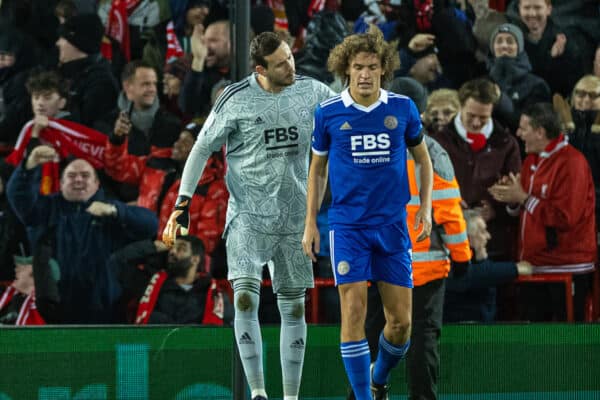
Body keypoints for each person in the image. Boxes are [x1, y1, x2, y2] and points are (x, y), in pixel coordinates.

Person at [162, 32, 335, 400]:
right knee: (244, 300)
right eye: (281, 64)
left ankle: (290, 396)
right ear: (260, 69)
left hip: (295, 220)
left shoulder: (314, 93)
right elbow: (201, 148)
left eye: (290, 58)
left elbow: (347, 124)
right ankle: (258, 392)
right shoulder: (235, 99)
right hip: (247, 218)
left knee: (293, 307)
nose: (291, 67)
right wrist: (182, 203)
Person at [303, 26, 433, 400]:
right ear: (346, 69)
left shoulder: (401, 108)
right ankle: (364, 397)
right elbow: (318, 169)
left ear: (382, 70)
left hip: (392, 226)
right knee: (353, 312)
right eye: (357, 67)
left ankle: (378, 378)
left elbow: (422, 160)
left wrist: (424, 207)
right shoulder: (328, 113)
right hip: (348, 227)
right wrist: (310, 222)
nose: (364, 74)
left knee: (401, 325)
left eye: (371, 67)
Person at [347, 135, 469, 400]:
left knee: (370, 337)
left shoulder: (364, 143)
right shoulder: (434, 151)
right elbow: (448, 211)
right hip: (425, 271)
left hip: (378, 266)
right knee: (422, 342)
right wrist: (462, 257)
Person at [7, 147, 158, 323]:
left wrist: (116, 211)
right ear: (61, 184)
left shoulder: (113, 212)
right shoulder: (44, 210)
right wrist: (29, 165)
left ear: (97, 184)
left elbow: (151, 225)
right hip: (55, 316)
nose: (78, 179)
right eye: (71, 176)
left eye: (85, 175)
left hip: (108, 314)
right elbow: (18, 196)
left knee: (114, 351)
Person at [489, 102, 596, 320]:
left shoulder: (572, 163)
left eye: (523, 128)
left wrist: (524, 198)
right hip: (534, 266)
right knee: (538, 343)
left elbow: (566, 218)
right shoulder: (530, 161)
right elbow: (527, 212)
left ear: (540, 132)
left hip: (566, 268)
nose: (518, 133)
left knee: (564, 344)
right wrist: (511, 199)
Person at [428, 78, 521, 261]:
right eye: (471, 116)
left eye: (483, 118)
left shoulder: (506, 144)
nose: (477, 123)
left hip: (493, 244)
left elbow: (516, 197)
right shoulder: (438, 143)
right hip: (449, 245)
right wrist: (451, 207)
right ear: (460, 106)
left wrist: (496, 209)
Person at [101, 60, 181, 202]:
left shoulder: (173, 125)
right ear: (127, 87)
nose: (152, 89)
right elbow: (105, 173)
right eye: (145, 84)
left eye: (154, 83)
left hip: (159, 206)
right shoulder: (105, 124)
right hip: (118, 208)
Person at [109, 235, 233, 325]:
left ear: (195, 259)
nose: (172, 252)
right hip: (154, 355)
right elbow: (116, 262)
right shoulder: (150, 283)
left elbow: (228, 329)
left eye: (181, 248)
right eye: (172, 248)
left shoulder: (214, 294)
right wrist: (153, 246)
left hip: (195, 357)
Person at [444, 209, 533, 323]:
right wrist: (515, 269)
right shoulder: (448, 265)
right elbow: (469, 276)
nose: (488, 236)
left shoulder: (479, 263)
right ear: (466, 239)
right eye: (482, 231)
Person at [56, 13, 119, 128]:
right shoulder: (68, 72)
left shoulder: (101, 83)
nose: (58, 43)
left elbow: (86, 130)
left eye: (63, 38)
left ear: (78, 43)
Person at [513, 0, 584, 97]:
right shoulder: (511, 37)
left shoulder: (564, 41)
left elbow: (572, 85)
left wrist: (556, 59)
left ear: (548, 9)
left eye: (538, 8)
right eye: (526, 8)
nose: (532, 13)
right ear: (519, 9)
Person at [487, 23, 551, 130]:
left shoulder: (537, 85)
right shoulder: (482, 80)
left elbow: (536, 125)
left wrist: (503, 102)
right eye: (499, 41)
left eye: (510, 41)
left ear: (519, 47)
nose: (504, 45)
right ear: (492, 47)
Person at [179, 20, 231, 118]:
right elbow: (187, 108)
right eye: (204, 41)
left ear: (232, 42)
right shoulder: (198, 70)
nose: (205, 46)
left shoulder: (251, 70)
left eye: (213, 40)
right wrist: (198, 59)